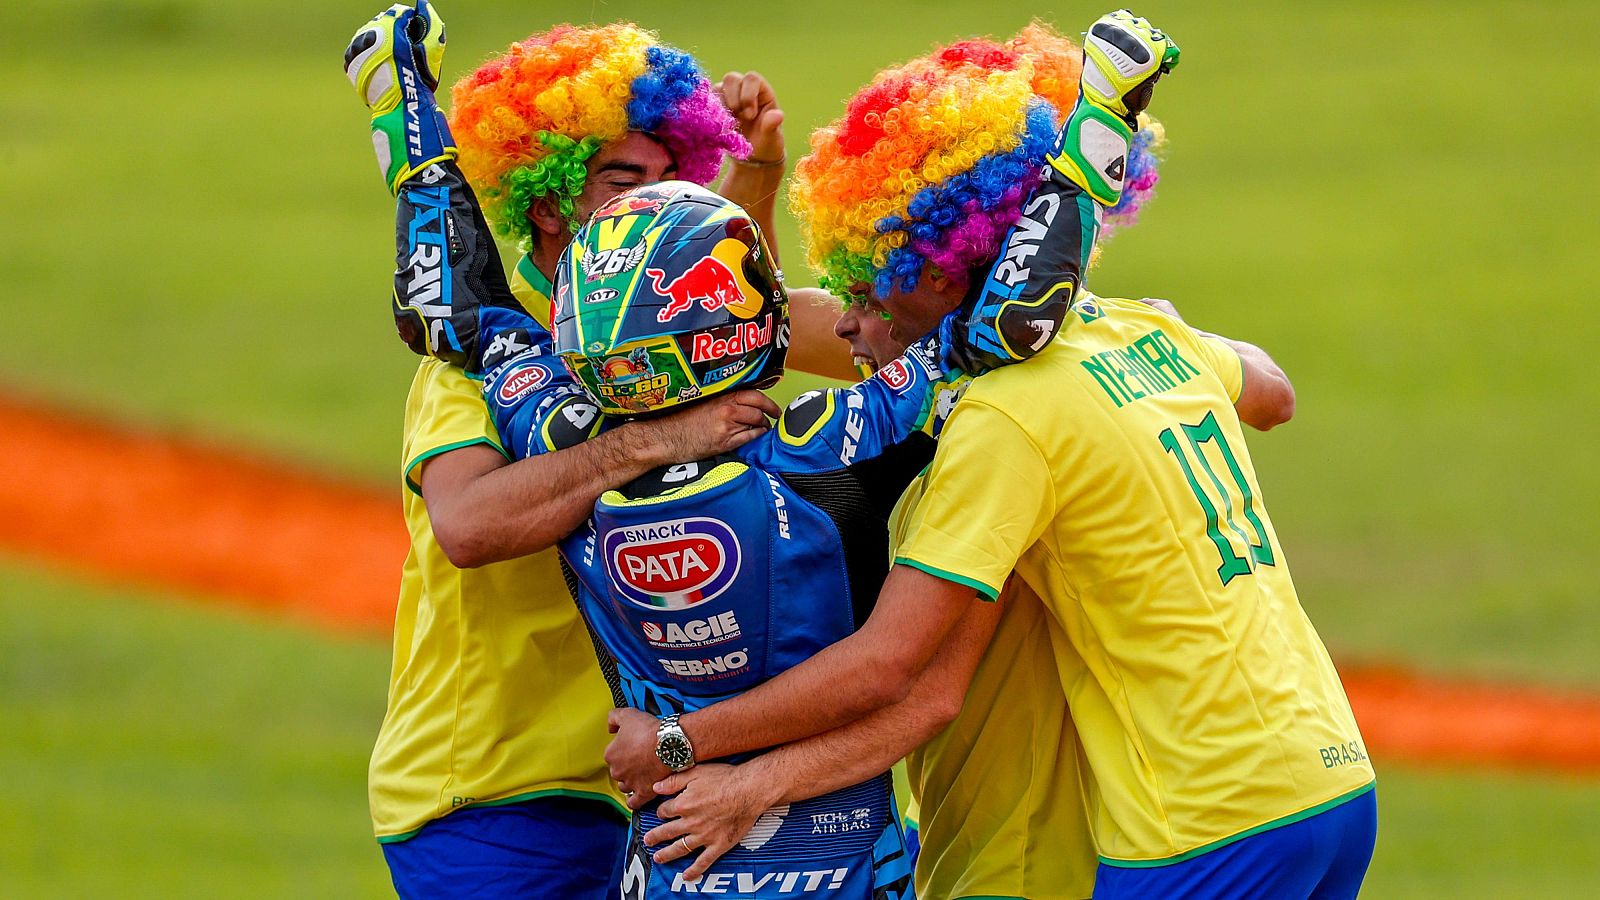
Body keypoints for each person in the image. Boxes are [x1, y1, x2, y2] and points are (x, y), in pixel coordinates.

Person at [610, 11, 1378, 900]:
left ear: (939, 273)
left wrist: (688, 746)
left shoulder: (1001, 419)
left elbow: (902, 672)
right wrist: (1172, 330)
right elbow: (1273, 392)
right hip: (1331, 780)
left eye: (866, 289)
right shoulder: (1140, 333)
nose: (848, 320)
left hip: (1202, 822)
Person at [343, 3, 797, 896]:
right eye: (623, 181)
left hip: (644, 777)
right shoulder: (473, 352)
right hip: (489, 794)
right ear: (549, 201)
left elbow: (750, 325)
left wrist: (757, 180)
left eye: (670, 181)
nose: (651, 204)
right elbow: (469, 525)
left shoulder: (654, 327)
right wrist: (656, 441)